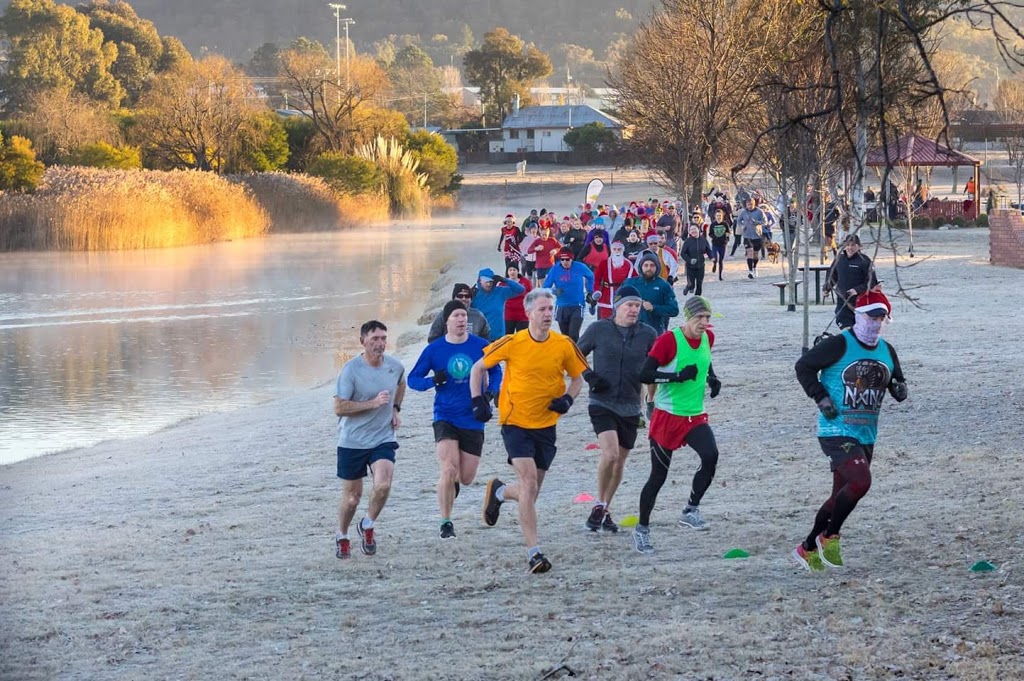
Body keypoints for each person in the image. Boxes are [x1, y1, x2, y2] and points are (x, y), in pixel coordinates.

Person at [471, 288, 589, 574]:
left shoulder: (564, 344)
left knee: (530, 492)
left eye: (551, 309)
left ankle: (499, 493)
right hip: (514, 422)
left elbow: (577, 378)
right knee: (530, 486)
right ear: (528, 313)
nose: (548, 314)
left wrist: (568, 400)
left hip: (546, 425)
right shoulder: (513, 342)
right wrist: (478, 401)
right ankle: (534, 553)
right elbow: (478, 368)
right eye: (542, 310)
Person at [792, 290, 907, 571]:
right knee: (861, 481)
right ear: (858, 316)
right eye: (872, 317)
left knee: (840, 495)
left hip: (866, 432)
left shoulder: (887, 350)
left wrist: (899, 388)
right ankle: (829, 536)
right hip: (836, 429)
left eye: (882, 318)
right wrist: (820, 397)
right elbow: (803, 366)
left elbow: (898, 383)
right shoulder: (838, 344)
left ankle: (807, 548)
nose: (877, 323)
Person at [631, 296, 722, 554]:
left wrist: (713, 379)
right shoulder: (669, 341)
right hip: (667, 417)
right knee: (658, 477)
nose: (704, 323)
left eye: (707, 318)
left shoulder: (708, 338)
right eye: (699, 318)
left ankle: (690, 510)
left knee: (711, 455)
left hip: (695, 415)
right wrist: (677, 377)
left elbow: (705, 361)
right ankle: (642, 529)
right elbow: (645, 374)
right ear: (687, 317)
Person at [409, 301, 502, 539]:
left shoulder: (481, 346)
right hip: (445, 415)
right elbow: (413, 379)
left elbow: (496, 370)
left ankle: (455, 484)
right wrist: (433, 381)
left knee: (467, 478)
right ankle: (446, 522)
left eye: (463, 316)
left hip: (473, 417)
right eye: (456, 316)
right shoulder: (434, 349)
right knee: (448, 468)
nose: (461, 320)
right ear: (446, 321)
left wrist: (490, 393)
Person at [576, 285, 658, 532]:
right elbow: (574, 354)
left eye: (637, 305)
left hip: (632, 404)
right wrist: (589, 376)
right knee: (610, 455)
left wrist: (651, 403)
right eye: (629, 305)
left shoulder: (648, 333)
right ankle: (600, 503)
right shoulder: (598, 329)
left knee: (620, 460)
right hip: (602, 401)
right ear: (617, 307)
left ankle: (604, 508)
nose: (634, 310)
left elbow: (654, 368)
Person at [333, 320, 406, 559]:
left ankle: (367, 524)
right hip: (352, 441)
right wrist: (372, 404)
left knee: (383, 485)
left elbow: (401, 382)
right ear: (362, 341)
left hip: (382, 437)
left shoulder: (395, 366)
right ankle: (342, 535)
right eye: (374, 339)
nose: (380, 343)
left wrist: (395, 408)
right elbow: (339, 407)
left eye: (384, 338)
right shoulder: (350, 370)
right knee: (352, 498)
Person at [823, 234, 878, 329]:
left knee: (859, 330)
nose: (850, 248)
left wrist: (856, 290)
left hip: (861, 302)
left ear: (859, 246)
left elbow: (872, 281)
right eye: (848, 245)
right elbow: (832, 276)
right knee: (846, 328)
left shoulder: (865, 261)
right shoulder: (839, 259)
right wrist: (826, 289)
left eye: (853, 245)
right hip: (842, 300)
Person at [543, 247, 594, 342]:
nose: (565, 262)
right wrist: (554, 291)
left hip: (577, 305)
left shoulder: (580, 267)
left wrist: (590, 290)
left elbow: (591, 276)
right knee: (565, 337)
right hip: (561, 306)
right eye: (562, 259)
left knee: (573, 335)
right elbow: (545, 287)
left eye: (567, 259)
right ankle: (568, 355)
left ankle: (575, 355)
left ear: (572, 259)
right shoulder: (555, 269)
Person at [622, 252, 679, 335]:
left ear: (657, 267)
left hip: (655, 332)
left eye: (652, 265)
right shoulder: (629, 283)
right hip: (631, 332)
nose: (649, 268)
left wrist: (654, 308)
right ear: (641, 267)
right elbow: (617, 303)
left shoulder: (664, 285)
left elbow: (674, 310)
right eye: (646, 265)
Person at [471, 268, 525, 339]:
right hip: (481, 338)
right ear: (480, 281)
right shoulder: (474, 295)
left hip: (498, 338)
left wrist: (504, 280)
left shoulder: (499, 292)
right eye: (486, 281)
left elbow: (520, 289)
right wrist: (469, 296)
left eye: (490, 281)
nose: (488, 284)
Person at [592, 240, 637, 319]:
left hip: (623, 295)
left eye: (619, 249)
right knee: (605, 323)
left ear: (623, 251)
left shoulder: (629, 264)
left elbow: (636, 280)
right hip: (607, 295)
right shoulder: (604, 263)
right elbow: (597, 279)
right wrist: (597, 290)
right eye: (614, 249)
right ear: (611, 250)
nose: (617, 251)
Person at [735, 197, 766, 279]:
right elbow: (738, 220)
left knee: (755, 255)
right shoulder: (743, 212)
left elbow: (765, 221)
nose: (750, 206)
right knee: (749, 252)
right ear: (746, 204)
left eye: (751, 204)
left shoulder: (759, 211)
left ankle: (755, 267)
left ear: (754, 204)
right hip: (747, 235)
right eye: (748, 205)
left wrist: (757, 222)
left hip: (757, 235)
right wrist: (742, 226)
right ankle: (750, 271)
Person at [679, 224, 713, 296]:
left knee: (699, 285)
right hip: (690, 267)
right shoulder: (688, 241)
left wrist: (712, 257)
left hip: (701, 266)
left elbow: (708, 250)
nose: (693, 231)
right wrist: (690, 260)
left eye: (695, 229)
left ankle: (697, 298)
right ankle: (688, 287)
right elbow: (682, 253)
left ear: (699, 230)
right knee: (691, 285)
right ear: (689, 232)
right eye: (691, 230)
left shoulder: (703, 240)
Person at [502, 264, 532, 333]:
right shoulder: (503, 283)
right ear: (507, 272)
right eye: (510, 270)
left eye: (514, 270)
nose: (512, 272)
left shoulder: (525, 281)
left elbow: (531, 295)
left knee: (522, 337)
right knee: (508, 337)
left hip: (522, 314)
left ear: (518, 271)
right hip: (508, 314)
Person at [708, 209, 730, 280]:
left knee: (721, 260)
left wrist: (726, 239)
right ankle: (714, 264)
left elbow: (728, 232)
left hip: (722, 244)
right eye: (717, 216)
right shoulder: (713, 224)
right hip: (715, 244)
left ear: (722, 216)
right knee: (715, 258)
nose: (718, 217)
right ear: (715, 216)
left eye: (720, 216)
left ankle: (720, 276)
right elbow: (710, 233)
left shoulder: (725, 224)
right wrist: (715, 237)